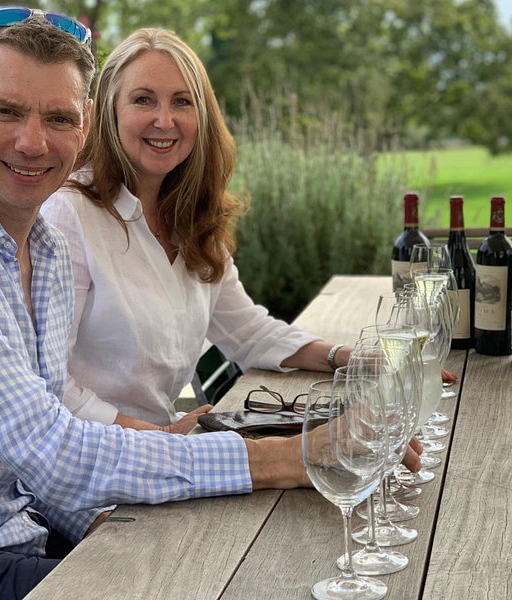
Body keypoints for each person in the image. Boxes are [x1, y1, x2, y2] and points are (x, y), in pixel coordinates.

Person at [0, 9, 421, 599]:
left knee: (252, 564)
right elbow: (49, 444)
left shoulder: (45, 247)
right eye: (6, 111)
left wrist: (117, 524)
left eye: (58, 117)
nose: (32, 142)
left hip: (26, 530)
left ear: (85, 125)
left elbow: (41, 462)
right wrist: (295, 456)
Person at [40, 27, 352, 432]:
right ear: (108, 111)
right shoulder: (69, 214)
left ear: (201, 116)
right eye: (143, 99)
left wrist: (348, 357)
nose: (164, 120)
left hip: (167, 445)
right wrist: (161, 437)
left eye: (182, 101)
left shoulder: (191, 216)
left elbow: (248, 332)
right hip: (100, 452)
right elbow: (50, 382)